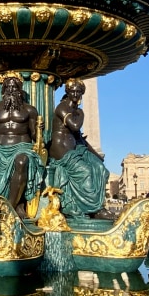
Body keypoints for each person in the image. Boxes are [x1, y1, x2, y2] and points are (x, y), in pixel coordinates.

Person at [0, 72, 45, 217]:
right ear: (3, 90)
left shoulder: (30, 110)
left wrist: (39, 131)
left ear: (20, 90)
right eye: (8, 88)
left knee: (21, 161)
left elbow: (34, 136)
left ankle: (10, 207)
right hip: (0, 149)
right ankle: (10, 205)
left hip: (22, 147)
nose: (11, 91)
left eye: (14, 88)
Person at [46, 78, 111, 218]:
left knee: (100, 169)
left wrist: (97, 156)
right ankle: (93, 208)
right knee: (85, 171)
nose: (75, 94)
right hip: (61, 149)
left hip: (74, 148)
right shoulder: (62, 107)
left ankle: (98, 206)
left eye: (79, 92)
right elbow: (75, 126)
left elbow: (80, 139)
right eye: (72, 91)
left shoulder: (75, 110)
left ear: (82, 93)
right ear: (67, 92)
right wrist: (81, 114)